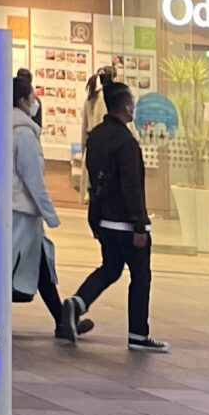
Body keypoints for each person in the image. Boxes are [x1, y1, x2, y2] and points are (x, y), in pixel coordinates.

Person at [64, 79, 167, 351]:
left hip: (103, 218)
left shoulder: (96, 136)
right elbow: (131, 187)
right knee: (140, 275)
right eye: (131, 101)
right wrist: (140, 225)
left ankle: (78, 302)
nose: (133, 106)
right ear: (125, 105)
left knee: (110, 268)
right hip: (125, 222)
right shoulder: (126, 142)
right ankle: (138, 334)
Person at [10, 67, 83, 342]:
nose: (36, 101)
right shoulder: (24, 135)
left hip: (20, 213)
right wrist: (50, 213)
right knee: (10, 271)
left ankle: (62, 320)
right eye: (32, 96)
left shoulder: (9, 129)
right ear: (22, 101)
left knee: (40, 266)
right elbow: (33, 179)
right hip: (22, 213)